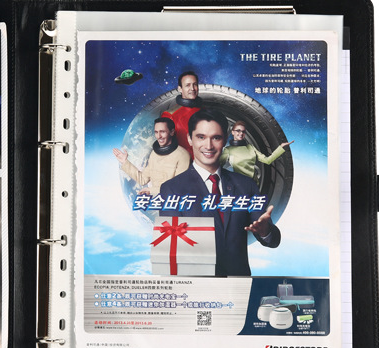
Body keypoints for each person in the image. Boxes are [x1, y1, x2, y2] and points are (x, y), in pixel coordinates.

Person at [158, 110, 280, 277]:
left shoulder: (246, 185)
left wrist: (265, 231)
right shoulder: (172, 189)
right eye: (201, 137)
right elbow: (169, 251)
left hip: (238, 285)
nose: (208, 146)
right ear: (189, 139)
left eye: (216, 138)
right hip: (195, 286)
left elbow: (273, 241)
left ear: (225, 140)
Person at [112, 116, 191, 196]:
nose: (159, 136)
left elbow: (179, 188)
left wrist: (151, 190)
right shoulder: (154, 154)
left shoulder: (183, 155)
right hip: (157, 200)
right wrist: (125, 162)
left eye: (162, 132)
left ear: (172, 132)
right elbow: (142, 179)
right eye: (156, 132)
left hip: (173, 201)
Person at [219, 121, 294, 184]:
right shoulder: (228, 150)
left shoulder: (251, 147)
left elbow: (268, 160)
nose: (241, 133)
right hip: (238, 185)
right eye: (238, 131)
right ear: (232, 132)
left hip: (253, 184)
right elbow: (217, 167)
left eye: (243, 131)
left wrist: (281, 147)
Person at [161, 70, 202, 156]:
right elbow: (165, 146)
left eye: (195, 84)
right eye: (187, 85)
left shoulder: (204, 110)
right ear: (180, 89)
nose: (192, 88)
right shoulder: (169, 115)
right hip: (184, 161)